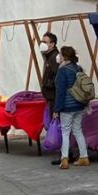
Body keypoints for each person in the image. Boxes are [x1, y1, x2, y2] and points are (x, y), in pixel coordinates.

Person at [53, 46, 90, 170]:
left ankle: (64, 159)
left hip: (66, 106)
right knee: (78, 130)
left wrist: (56, 109)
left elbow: (60, 92)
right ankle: (84, 157)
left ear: (64, 56)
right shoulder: (78, 68)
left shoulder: (62, 71)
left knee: (65, 132)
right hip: (79, 104)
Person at [39, 32, 68, 166]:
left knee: (59, 126)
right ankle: (63, 153)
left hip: (55, 96)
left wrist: (47, 85)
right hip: (51, 96)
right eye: (42, 41)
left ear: (52, 44)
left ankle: (64, 154)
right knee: (56, 124)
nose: (42, 44)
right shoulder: (48, 56)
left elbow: (58, 79)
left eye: (45, 42)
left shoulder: (55, 58)